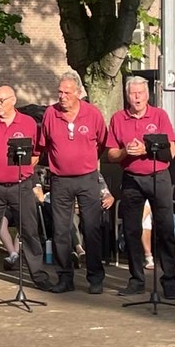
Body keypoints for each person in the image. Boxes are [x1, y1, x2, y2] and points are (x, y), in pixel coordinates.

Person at [0, 85, 54, 293]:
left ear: (13, 100)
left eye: (1, 101)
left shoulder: (28, 123)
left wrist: (25, 169)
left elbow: (36, 152)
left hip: (22, 185)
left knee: (29, 232)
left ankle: (38, 275)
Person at [106, 76, 175, 298]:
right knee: (131, 230)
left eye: (140, 93)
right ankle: (137, 280)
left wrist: (147, 149)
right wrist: (127, 151)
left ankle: (168, 282)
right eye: (132, 93)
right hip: (131, 179)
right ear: (127, 96)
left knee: (165, 229)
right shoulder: (118, 118)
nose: (136, 97)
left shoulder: (159, 115)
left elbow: (172, 151)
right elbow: (110, 154)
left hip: (159, 176)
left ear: (147, 95)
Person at [37, 71, 109, 293]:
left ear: (78, 93)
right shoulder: (50, 114)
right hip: (60, 180)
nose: (62, 96)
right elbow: (44, 144)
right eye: (59, 92)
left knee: (91, 228)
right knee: (60, 230)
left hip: (87, 179)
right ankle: (65, 277)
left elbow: (102, 143)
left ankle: (95, 278)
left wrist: (84, 161)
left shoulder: (93, 114)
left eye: (67, 92)